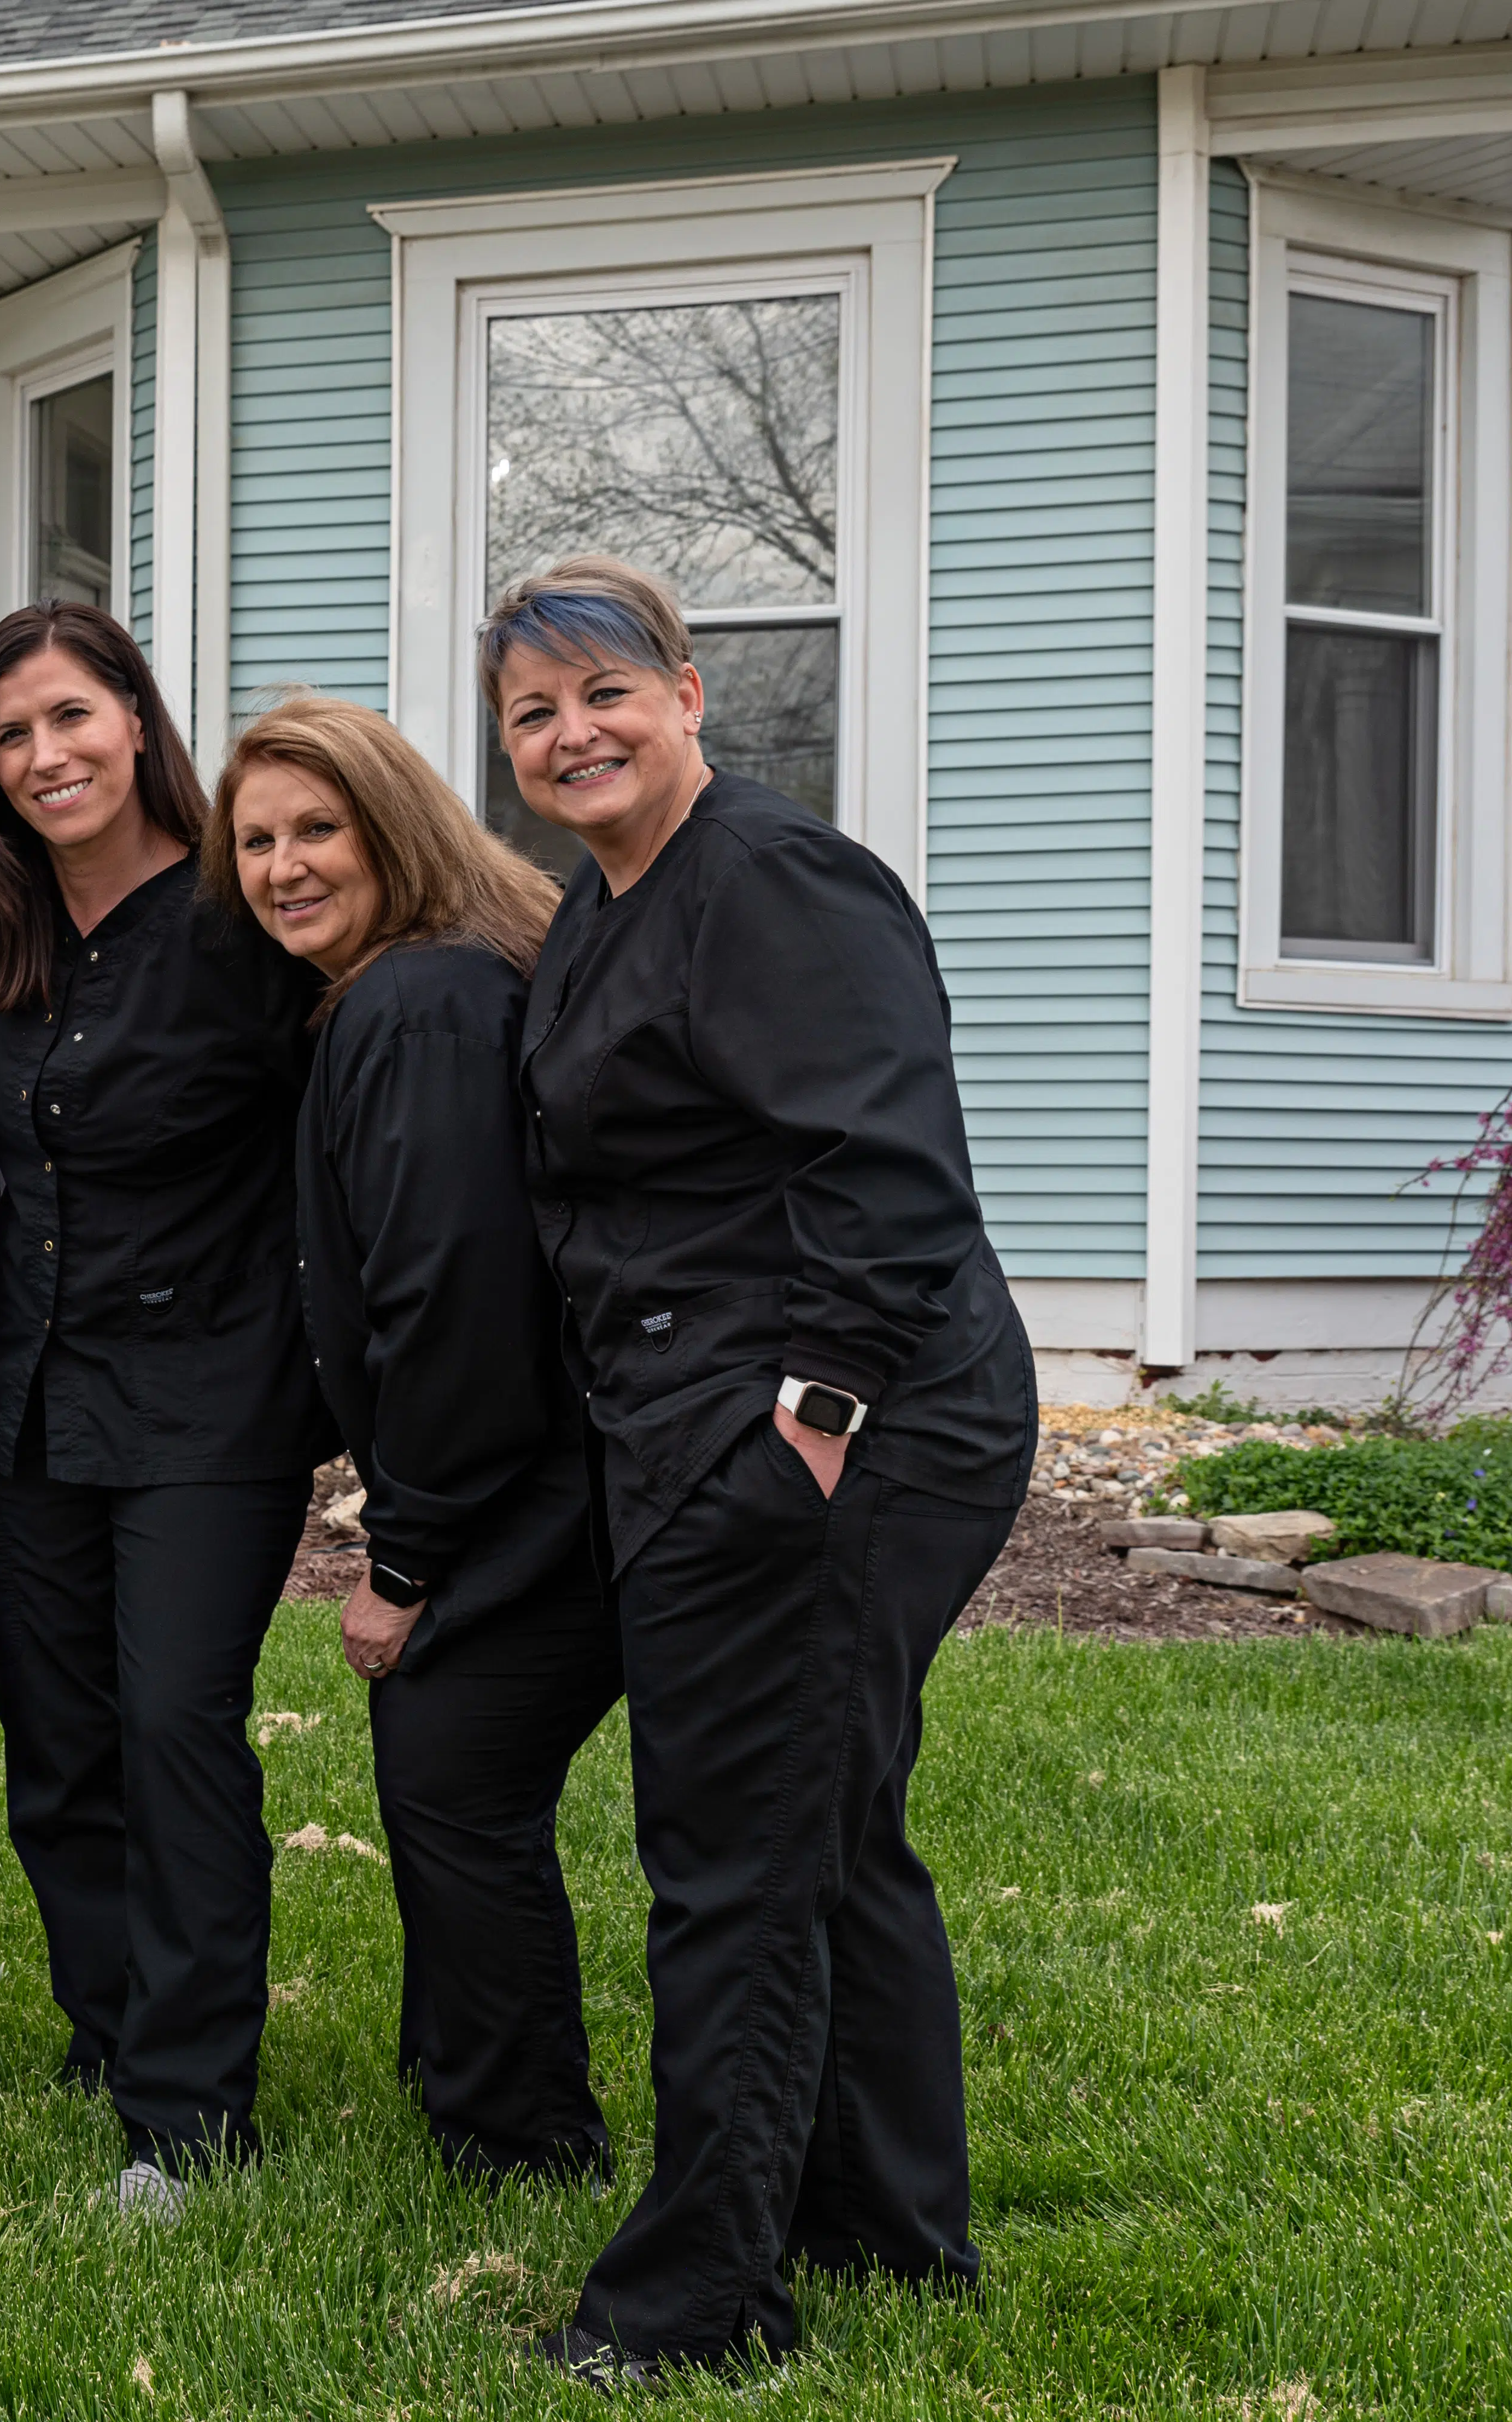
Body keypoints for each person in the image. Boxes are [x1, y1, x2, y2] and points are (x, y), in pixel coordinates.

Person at [486, 557, 1038, 2384]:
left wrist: (809, 1429)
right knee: (823, 1822)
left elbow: (888, 1165)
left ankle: (701, 2304)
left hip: (842, 1427)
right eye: (533, 714)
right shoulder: (603, 910)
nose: (573, 736)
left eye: (603, 695)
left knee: (733, 1853)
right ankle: (887, 2223)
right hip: (713, 1421)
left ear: (689, 693)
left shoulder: (775, 877)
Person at [0, 604, 331, 2216]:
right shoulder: (5, 941)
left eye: (70, 719)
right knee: (59, 1750)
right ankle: (110, 2028)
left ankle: (189, 2110)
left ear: (136, 720)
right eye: (12, 736)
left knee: (174, 1732)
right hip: (27, 1404)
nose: (46, 757)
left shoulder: (247, 918)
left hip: (208, 1406)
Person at [214, 691, 621, 2187]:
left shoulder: (421, 1004)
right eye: (252, 841)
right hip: (553, 1463)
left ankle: (522, 2146)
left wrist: (405, 1556)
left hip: (537, 1479)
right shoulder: (427, 979)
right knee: (455, 1775)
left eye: (315, 828)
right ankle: (463, 2073)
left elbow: (451, 1299)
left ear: (394, 823)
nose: (279, 867)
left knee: (454, 1777)